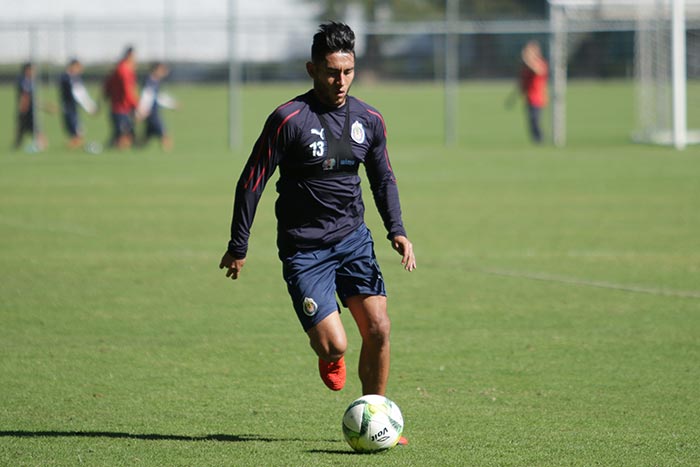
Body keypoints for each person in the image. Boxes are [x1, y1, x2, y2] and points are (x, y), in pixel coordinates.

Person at [218, 22, 415, 442]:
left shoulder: (369, 119)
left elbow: (384, 180)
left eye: (347, 71)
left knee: (379, 327)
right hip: (304, 251)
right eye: (330, 71)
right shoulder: (288, 119)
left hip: (353, 240)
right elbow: (252, 180)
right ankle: (329, 354)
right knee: (335, 346)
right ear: (312, 69)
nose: (339, 80)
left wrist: (396, 229)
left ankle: (377, 415)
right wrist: (239, 245)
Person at [136, 62, 177, 151]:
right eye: (162, 70)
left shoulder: (155, 81)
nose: (164, 72)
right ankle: (169, 156)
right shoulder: (149, 81)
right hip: (152, 113)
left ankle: (133, 148)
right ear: (156, 70)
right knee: (164, 135)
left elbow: (158, 97)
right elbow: (146, 97)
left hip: (151, 112)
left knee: (146, 137)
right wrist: (141, 111)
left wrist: (172, 104)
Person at [103, 46, 138, 149]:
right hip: (121, 107)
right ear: (129, 56)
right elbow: (128, 91)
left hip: (120, 107)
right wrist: (135, 105)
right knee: (123, 138)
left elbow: (107, 87)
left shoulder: (120, 69)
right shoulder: (124, 70)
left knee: (125, 135)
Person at [59, 58, 98, 149]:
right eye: (79, 67)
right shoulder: (68, 78)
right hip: (69, 109)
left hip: (73, 109)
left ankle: (75, 147)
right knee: (77, 133)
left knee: (78, 133)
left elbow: (82, 94)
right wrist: (90, 107)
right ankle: (71, 148)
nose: (80, 70)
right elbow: (79, 95)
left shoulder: (75, 78)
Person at [519, 40, 549, 144]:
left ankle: (540, 139)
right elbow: (523, 82)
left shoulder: (540, 63)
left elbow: (538, 71)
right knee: (531, 121)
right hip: (529, 98)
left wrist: (527, 60)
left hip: (537, 98)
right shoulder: (525, 67)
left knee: (535, 120)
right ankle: (536, 140)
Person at [14, 62, 47, 151]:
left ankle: (18, 147)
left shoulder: (29, 81)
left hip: (29, 111)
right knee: (30, 131)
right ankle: (37, 146)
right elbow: (25, 96)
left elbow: (32, 99)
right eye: (33, 69)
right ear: (27, 70)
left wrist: (43, 106)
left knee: (22, 132)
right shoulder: (25, 81)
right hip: (27, 111)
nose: (34, 72)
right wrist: (23, 109)